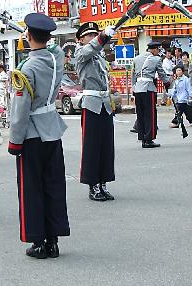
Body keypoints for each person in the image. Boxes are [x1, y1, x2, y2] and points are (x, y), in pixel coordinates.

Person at [7, 13, 70, 259]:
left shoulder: (26, 68)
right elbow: (55, 49)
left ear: (28, 36)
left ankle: (39, 242)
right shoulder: (55, 61)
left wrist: (15, 140)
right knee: (53, 186)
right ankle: (53, 240)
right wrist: (39, 39)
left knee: (32, 189)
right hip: (52, 129)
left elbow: (20, 110)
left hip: (32, 134)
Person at [73, 21, 117, 202]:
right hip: (91, 104)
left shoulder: (99, 56)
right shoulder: (80, 53)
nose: (92, 38)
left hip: (105, 103)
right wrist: (102, 37)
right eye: (88, 36)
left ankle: (103, 182)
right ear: (81, 39)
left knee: (106, 146)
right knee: (92, 147)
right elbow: (89, 49)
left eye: (94, 34)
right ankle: (93, 185)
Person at [132, 42, 166, 148]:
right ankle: (149, 139)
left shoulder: (137, 58)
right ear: (154, 49)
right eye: (158, 50)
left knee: (140, 114)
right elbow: (162, 74)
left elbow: (133, 74)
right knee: (150, 114)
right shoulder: (156, 59)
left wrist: (133, 87)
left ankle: (142, 138)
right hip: (148, 88)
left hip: (138, 88)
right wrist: (168, 82)